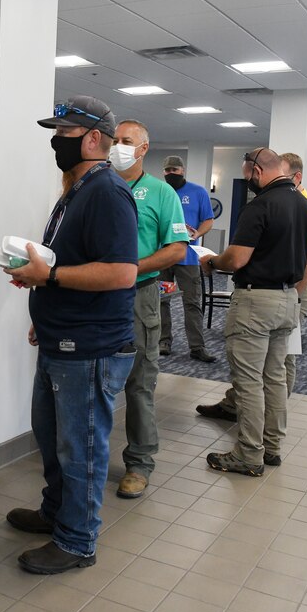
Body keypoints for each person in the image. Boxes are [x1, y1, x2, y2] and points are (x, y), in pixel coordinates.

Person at [3, 96, 138, 573]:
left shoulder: (107, 192)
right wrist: (40, 283)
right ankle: (57, 512)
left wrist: (52, 280)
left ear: (94, 138)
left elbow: (122, 273)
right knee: (53, 437)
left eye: (64, 133)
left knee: (79, 446)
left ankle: (77, 542)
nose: (56, 141)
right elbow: (71, 261)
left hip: (91, 346)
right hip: (62, 337)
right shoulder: (75, 190)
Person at [197, 148, 307, 476]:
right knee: (275, 376)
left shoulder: (260, 205)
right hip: (287, 299)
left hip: (255, 302)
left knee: (249, 380)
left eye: (247, 174)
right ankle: (273, 446)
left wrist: (211, 262)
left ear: (257, 171)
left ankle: (249, 453)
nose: (247, 181)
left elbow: (237, 259)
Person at [110, 122, 189, 499]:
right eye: (114, 141)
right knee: (92, 378)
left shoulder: (160, 193)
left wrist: (130, 269)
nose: (117, 147)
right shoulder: (97, 185)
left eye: (125, 142)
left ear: (143, 149)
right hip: (93, 296)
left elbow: (177, 249)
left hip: (138, 296)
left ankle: (139, 463)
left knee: (139, 382)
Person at [158, 155, 216, 361]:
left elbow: (208, 220)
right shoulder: (160, 191)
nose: (171, 174)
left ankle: (197, 347)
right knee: (161, 302)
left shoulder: (198, 192)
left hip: (188, 257)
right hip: (161, 256)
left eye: (174, 170)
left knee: (192, 302)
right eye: (167, 171)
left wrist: (197, 234)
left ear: (182, 170)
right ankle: (163, 341)